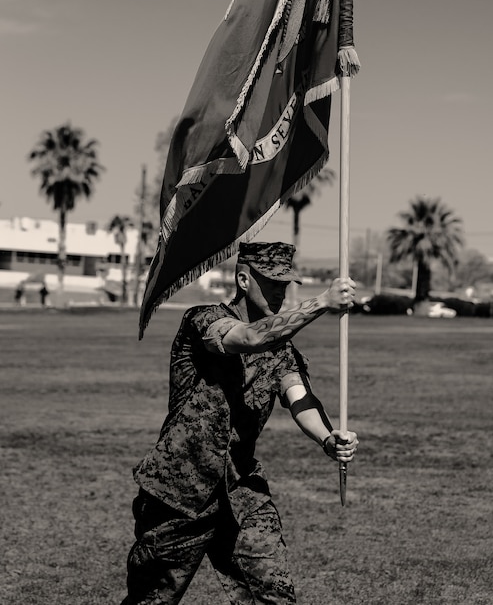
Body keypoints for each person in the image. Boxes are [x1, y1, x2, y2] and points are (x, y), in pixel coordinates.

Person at [121, 241, 358, 605]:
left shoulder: (282, 349)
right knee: (153, 600)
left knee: (274, 595)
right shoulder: (203, 320)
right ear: (244, 279)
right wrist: (322, 302)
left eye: (285, 284)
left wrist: (329, 439)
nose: (281, 292)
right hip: (178, 492)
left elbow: (299, 398)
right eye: (272, 283)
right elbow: (248, 338)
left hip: (241, 492)